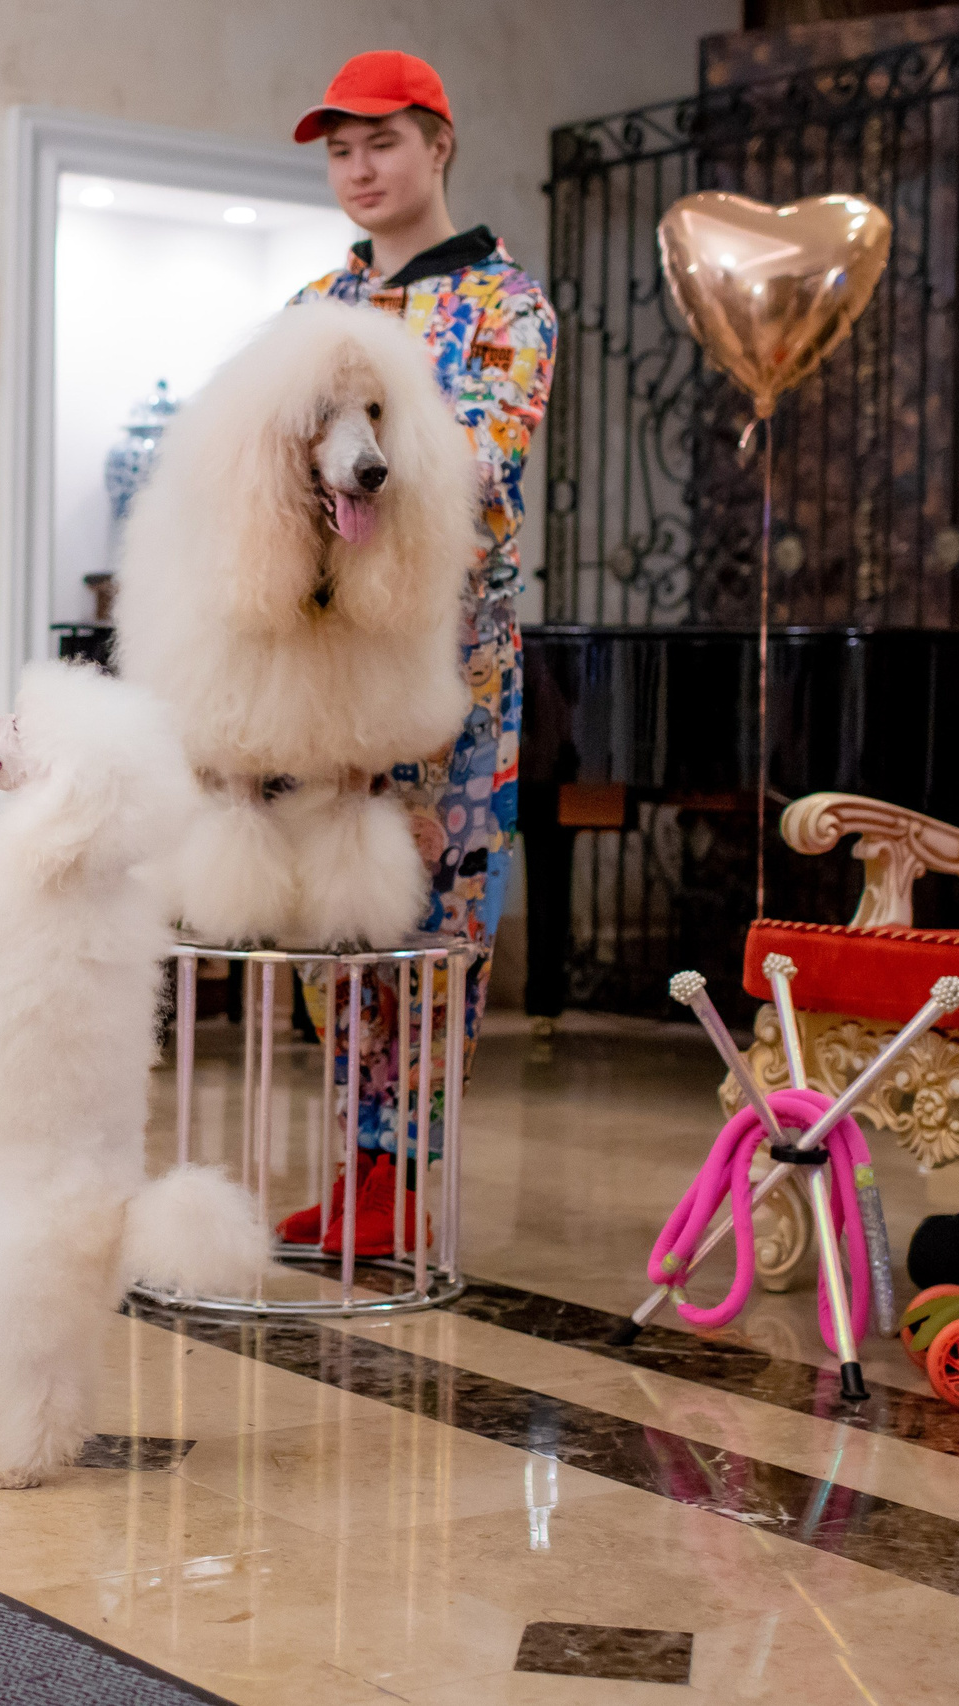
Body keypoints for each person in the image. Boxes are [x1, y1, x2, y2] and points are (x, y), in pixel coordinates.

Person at [279, 51, 556, 1248]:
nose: (358, 170)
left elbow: (484, 484)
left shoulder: (506, 308)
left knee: (436, 912)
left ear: (438, 143)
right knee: (327, 905)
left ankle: (406, 1175)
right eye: (339, 151)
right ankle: (350, 1164)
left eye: (380, 143)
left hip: (448, 671)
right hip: (319, 667)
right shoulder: (309, 310)